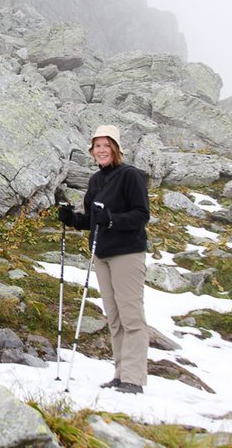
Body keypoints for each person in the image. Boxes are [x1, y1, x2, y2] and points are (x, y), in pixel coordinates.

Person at [58, 125, 150, 394]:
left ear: (116, 148)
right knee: (114, 317)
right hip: (102, 254)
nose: (101, 150)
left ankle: (134, 378)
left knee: (131, 316)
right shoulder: (96, 180)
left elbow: (141, 215)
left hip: (127, 253)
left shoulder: (130, 175)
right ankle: (121, 375)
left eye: (106, 145)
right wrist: (72, 219)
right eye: (97, 146)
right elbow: (92, 220)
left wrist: (111, 220)